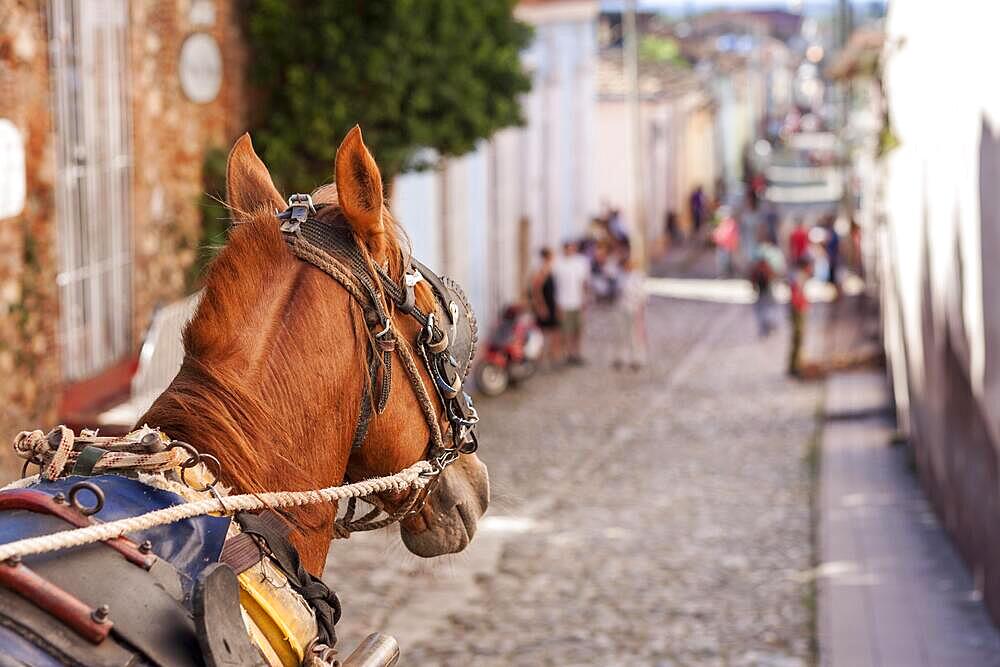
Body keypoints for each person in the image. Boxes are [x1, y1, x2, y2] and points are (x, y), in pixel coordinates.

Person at [552, 241, 590, 365]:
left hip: (577, 302)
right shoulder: (558, 265)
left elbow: (583, 283)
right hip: (564, 303)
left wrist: (584, 300)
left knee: (578, 330)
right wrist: (557, 304)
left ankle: (576, 353)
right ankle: (567, 354)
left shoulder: (580, 263)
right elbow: (556, 287)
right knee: (566, 331)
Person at [613, 256, 648, 370]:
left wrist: (640, 309)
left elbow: (643, 295)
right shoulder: (620, 276)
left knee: (635, 335)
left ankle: (637, 358)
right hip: (622, 308)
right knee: (622, 333)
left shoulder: (638, 277)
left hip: (634, 308)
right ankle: (622, 357)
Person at [529, 247, 561, 365]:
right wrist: (541, 307)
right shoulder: (541, 272)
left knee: (554, 333)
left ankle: (551, 357)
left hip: (551, 305)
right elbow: (535, 290)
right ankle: (542, 358)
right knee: (544, 334)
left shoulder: (550, 270)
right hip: (545, 306)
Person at [787, 256, 812, 376]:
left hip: (798, 308)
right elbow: (796, 295)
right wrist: (802, 305)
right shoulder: (799, 276)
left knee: (798, 338)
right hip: (798, 309)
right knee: (798, 337)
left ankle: (795, 364)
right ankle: (795, 366)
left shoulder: (799, 276)